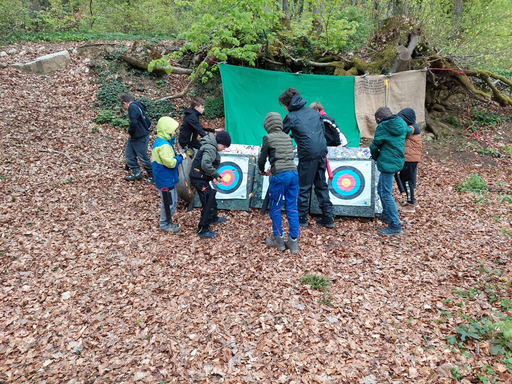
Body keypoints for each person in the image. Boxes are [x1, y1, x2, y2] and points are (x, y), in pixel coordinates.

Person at [278, 88, 334, 228]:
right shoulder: (314, 113)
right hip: (321, 152)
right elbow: (319, 131)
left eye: (284, 105)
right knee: (321, 185)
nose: (284, 108)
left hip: (308, 154)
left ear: (288, 104)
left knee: (303, 186)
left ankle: (302, 218)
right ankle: (328, 217)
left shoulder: (292, 116)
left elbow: (280, 134)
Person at [258, 112, 300, 254]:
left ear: (267, 125)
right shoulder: (287, 137)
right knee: (292, 207)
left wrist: (261, 169)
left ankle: (279, 240)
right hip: (293, 174)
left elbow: (262, 158)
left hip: (280, 176)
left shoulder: (268, 138)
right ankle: (293, 242)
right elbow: (285, 157)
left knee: (275, 207)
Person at [370, 107, 411, 236]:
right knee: (381, 189)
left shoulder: (383, 126)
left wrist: (375, 155)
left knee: (386, 193)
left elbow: (375, 144)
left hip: (387, 162)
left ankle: (395, 224)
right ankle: (387, 215)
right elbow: (409, 131)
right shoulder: (402, 123)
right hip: (397, 161)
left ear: (378, 119)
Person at [189, 131, 232, 238]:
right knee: (207, 202)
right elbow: (205, 164)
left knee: (210, 199)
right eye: (224, 146)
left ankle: (212, 218)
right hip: (198, 179)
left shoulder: (211, 147)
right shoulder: (211, 148)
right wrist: (215, 175)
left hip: (201, 178)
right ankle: (203, 229)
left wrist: (213, 176)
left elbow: (206, 166)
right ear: (219, 142)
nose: (224, 148)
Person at [151, 116, 184, 233]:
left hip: (168, 178)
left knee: (173, 201)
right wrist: (180, 157)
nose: (174, 132)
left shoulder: (164, 142)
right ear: (167, 130)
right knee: (168, 203)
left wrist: (172, 143)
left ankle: (167, 221)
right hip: (165, 179)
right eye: (173, 130)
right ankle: (164, 224)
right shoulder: (163, 146)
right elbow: (170, 163)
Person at [120, 93, 153, 183]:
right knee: (129, 154)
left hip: (139, 137)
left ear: (124, 103)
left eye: (124, 106)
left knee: (143, 157)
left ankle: (152, 175)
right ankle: (136, 172)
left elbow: (133, 122)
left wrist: (130, 132)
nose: (125, 109)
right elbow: (148, 121)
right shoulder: (138, 106)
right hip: (136, 136)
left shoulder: (132, 107)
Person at [397, 108, 422, 213]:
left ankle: (410, 203)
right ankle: (411, 200)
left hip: (410, 158)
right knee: (404, 179)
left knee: (407, 180)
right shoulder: (412, 127)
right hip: (408, 158)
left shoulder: (413, 128)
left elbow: (404, 132)